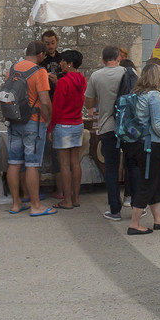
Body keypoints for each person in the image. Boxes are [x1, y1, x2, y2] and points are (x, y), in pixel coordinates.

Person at [2, 41, 53, 216]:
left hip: (14, 120)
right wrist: (49, 120)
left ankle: (16, 203)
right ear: (40, 55)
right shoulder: (39, 72)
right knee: (32, 164)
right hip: (34, 121)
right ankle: (36, 205)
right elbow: (45, 101)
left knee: (14, 163)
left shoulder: (13, 68)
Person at [123, 61, 160, 235]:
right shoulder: (154, 96)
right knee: (147, 183)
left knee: (154, 182)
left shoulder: (136, 94)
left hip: (134, 144)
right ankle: (134, 223)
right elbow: (158, 124)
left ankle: (158, 219)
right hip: (150, 146)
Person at [86, 46, 128, 221]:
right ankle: (135, 203)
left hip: (107, 125)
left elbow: (88, 103)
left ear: (102, 59)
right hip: (128, 125)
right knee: (131, 165)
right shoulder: (127, 72)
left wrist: (99, 97)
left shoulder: (96, 76)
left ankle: (115, 209)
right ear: (118, 57)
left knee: (110, 167)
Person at [49, 50, 87, 210]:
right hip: (77, 122)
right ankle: (76, 198)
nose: (61, 63)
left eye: (63, 61)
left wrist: (51, 127)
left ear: (69, 63)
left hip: (63, 124)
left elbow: (56, 108)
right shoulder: (82, 79)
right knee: (75, 162)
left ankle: (67, 200)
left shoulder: (63, 82)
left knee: (64, 164)